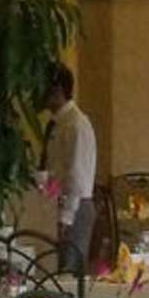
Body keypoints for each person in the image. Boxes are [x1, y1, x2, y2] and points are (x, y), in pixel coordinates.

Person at [42, 62, 97, 275]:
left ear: (57, 90)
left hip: (75, 206)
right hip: (59, 203)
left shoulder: (76, 124)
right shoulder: (59, 123)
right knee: (57, 270)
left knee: (69, 274)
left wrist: (66, 217)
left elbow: (76, 175)